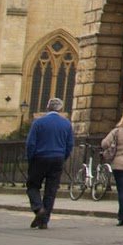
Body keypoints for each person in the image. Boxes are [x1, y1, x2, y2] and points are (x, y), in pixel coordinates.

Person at [25, 98, 74, 229]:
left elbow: (30, 143)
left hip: (39, 158)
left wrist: (30, 158)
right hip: (58, 158)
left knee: (32, 186)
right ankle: (44, 221)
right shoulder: (66, 124)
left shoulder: (38, 122)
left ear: (48, 108)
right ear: (61, 109)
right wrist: (63, 157)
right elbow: (70, 145)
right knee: (51, 190)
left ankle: (38, 208)